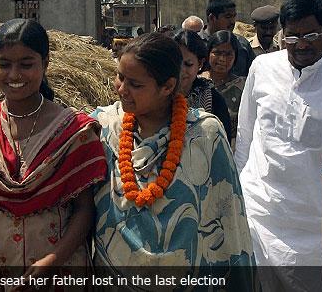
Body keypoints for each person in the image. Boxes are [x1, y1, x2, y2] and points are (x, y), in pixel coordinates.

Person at [0, 19, 107, 277]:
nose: (14, 75)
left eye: (26, 64)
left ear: (45, 64)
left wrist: (52, 260)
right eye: (4, 64)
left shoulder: (74, 132)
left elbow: (85, 209)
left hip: (60, 269)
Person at [234, 0, 322, 291]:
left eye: (310, 36)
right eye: (292, 37)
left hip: (314, 226)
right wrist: (237, 196)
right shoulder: (263, 68)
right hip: (260, 213)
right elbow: (245, 134)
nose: (300, 46)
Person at [91, 32, 254, 286]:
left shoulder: (205, 134)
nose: (121, 89)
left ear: (167, 86)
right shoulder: (103, 127)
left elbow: (229, 221)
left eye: (135, 84)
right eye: (120, 77)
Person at [172, 29, 231, 136]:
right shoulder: (159, 95)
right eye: (176, 63)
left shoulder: (214, 100)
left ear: (200, 63)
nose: (181, 70)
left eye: (188, 64)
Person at [201, 30, 246, 147]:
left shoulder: (243, 86)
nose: (222, 59)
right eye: (217, 53)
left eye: (228, 54)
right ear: (208, 53)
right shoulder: (197, 82)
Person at [198, 0, 256, 77]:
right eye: (227, 17)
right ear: (212, 18)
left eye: (234, 16)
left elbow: (253, 76)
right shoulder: (195, 43)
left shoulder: (242, 44)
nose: (232, 21)